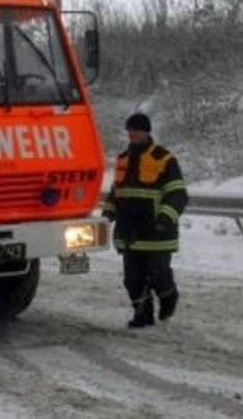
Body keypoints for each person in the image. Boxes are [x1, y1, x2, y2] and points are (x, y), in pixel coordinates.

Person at [103, 113, 188, 328]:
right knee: (132, 279)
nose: (132, 134)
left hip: (156, 233)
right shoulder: (122, 159)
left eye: (137, 130)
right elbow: (116, 194)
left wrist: (164, 219)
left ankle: (169, 297)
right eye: (130, 130)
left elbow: (178, 194)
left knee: (158, 275)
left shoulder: (164, 159)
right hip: (129, 233)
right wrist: (107, 216)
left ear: (147, 132)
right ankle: (143, 315)